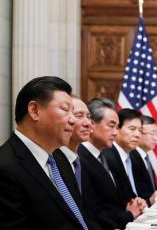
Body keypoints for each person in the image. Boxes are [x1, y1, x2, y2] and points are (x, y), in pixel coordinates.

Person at [0, 76, 91, 229]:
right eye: (65, 109)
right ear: (34, 110)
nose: (73, 120)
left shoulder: (60, 158)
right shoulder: (5, 167)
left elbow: (78, 216)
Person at [79, 98, 143, 229]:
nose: (115, 132)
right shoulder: (80, 158)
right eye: (111, 126)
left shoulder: (104, 155)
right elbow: (93, 210)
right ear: (91, 125)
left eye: (117, 127)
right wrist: (129, 215)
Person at [53, 96, 102, 230]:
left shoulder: (81, 161)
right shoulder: (52, 163)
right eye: (79, 116)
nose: (88, 123)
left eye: (88, 116)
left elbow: (89, 211)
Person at [102, 108, 148, 208]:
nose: (137, 135)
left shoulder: (135, 155)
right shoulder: (107, 157)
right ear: (117, 129)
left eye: (140, 130)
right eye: (132, 129)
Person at [130, 115, 157, 206]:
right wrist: (151, 199)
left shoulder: (144, 156)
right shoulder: (131, 158)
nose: (155, 138)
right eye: (152, 133)